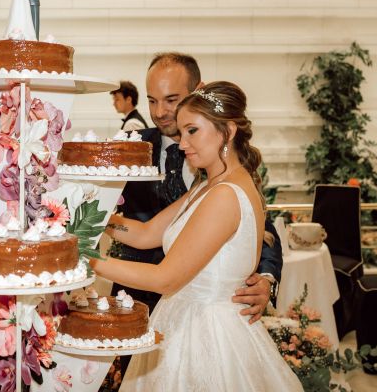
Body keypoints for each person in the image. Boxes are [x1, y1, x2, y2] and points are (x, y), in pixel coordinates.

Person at [93, 82, 302, 391]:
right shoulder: (209, 185)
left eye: (192, 130)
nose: (182, 143)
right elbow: (146, 233)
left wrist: (87, 261)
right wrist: (95, 219)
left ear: (228, 131)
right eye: (181, 132)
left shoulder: (225, 195)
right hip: (182, 318)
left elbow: (166, 279)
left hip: (208, 334)